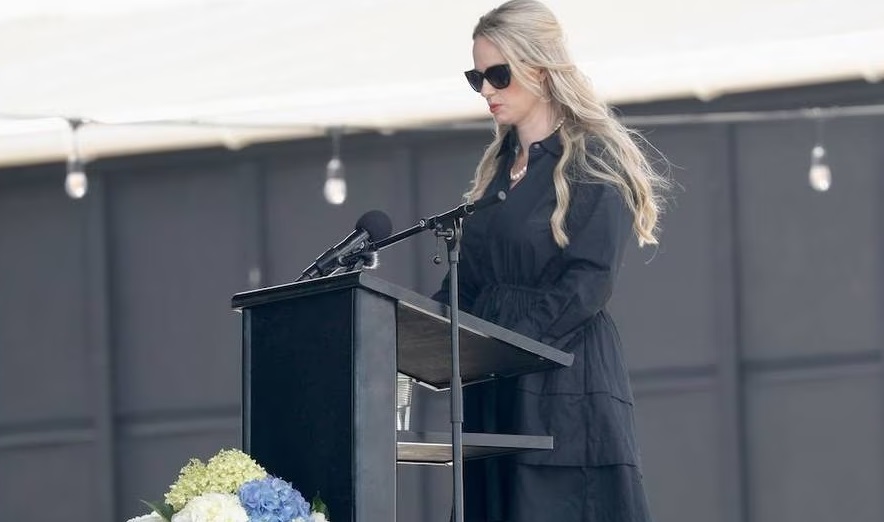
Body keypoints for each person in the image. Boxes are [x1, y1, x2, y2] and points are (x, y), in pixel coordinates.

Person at [431, 1, 669, 521]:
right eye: (476, 78)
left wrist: (506, 348)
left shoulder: (593, 157)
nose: (486, 90)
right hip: (496, 383)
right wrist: (407, 331)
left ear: (539, 68)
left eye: (498, 74)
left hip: (561, 382)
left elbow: (587, 283)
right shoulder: (497, 170)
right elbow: (467, 282)